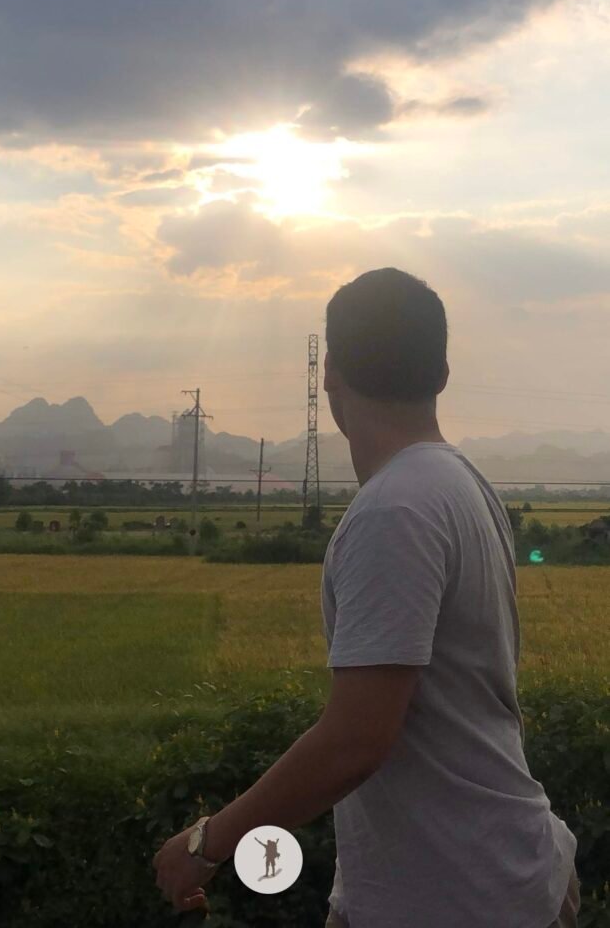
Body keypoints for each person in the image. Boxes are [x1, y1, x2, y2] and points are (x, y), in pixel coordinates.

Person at [153, 267, 580, 928]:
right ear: (440, 374)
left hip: (455, 896)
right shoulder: (459, 482)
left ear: (329, 375)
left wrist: (209, 843)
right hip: (490, 875)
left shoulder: (394, 511)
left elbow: (357, 739)